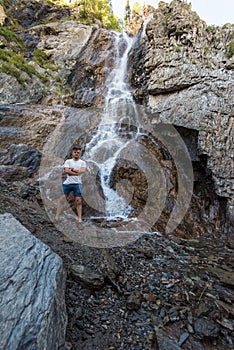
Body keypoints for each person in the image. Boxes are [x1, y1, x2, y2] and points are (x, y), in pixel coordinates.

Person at [55, 145, 86, 223]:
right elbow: (66, 171)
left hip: (78, 184)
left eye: (78, 152)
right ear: (72, 153)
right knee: (62, 198)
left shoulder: (82, 162)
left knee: (78, 201)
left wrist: (72, 170)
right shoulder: (68, 161)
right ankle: (57, 216)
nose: (76, 154)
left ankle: (79, 219)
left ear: (80, 153)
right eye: (75, 152)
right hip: (67, 183)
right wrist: (76, 172)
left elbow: (82, 171)